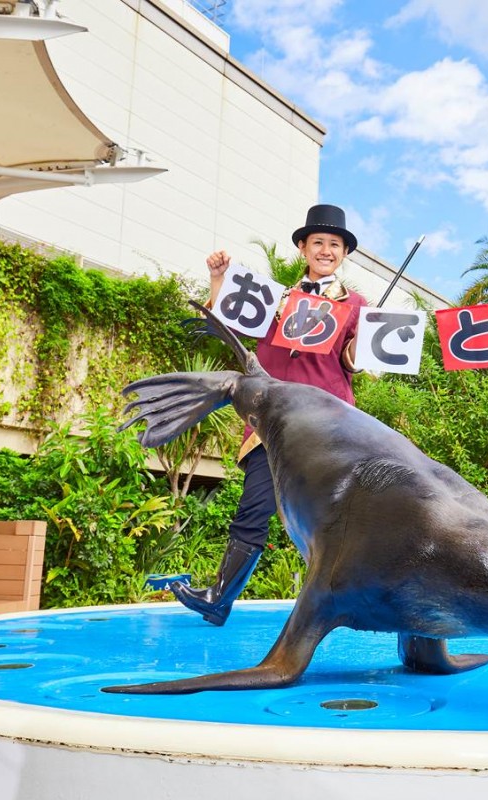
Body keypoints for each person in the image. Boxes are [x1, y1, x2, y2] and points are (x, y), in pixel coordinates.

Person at [171, 204, 367, 625]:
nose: (326, 250)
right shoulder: (276, 298)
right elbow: (228, 324)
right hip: (273, 419)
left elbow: (351, 362)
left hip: (328, 423)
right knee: (255, 506)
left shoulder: (358, 305)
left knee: (336, 519)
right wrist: (219, 279)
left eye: (335, 244)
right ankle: (219, 597)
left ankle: (355, 602)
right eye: (318, 243)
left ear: (344, 253)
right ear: (303, 248)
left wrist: (364, 338)